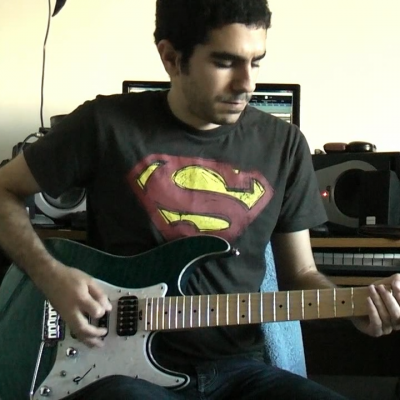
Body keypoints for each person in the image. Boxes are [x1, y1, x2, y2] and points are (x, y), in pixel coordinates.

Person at [0, 0, 399, 399]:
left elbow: (302, 274)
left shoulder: (284, 144)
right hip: (117, 368)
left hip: (238, 371)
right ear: (171, 58)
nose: (247, 84)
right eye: (225, 62)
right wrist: (51, 276)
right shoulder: (105, 125)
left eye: (256, 62)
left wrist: (353, 306)